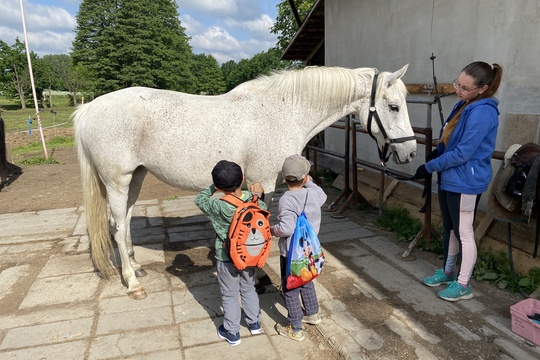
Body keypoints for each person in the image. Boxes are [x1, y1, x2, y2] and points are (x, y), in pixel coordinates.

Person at [412, 61, 503, 302]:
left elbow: (463, 152)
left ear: (483, 88)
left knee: (464, 232)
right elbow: (450, 139)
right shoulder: (465, 104)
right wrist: (437, 153)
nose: (458, 90)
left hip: (466, 181)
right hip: (450, 177)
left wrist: (429, 166)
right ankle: (448, 271)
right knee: (450, 228)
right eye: (457, 84)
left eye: (464, 87)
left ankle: (463, 285)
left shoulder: (483, 112)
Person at [194, 160, 265, 346]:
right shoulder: (253, 199)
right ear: (242, 179)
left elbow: (199, 199)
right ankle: (254, 323)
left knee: (229, 294)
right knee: (249, 287)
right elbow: (263, 210)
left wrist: (213, 187)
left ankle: (232, 332)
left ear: (218, 186)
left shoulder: (218, 206)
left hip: (226, 257)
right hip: (249, 255)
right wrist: (258, 194)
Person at [271, 154, 327, 341]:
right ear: (305, 177)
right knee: (306, 279)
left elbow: (286, 228)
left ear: (285, 177)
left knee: (290, 287)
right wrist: (309, 183)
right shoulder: (313, 193)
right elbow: (323, 195)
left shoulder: (286, 199)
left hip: (291, 254)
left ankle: (295, 328)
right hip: (309, 251)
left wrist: (273, 230)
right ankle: (312, 314)